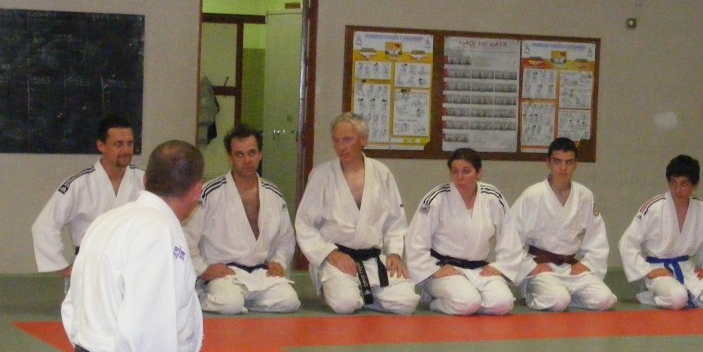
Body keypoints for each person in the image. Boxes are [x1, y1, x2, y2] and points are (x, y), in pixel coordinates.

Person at [38, 140, 275, 352]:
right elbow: (138, 330)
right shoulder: (158, 232)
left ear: (146, 179)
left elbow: (71, 310)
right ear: (197, 191)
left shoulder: (106, 222)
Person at [295, 112, 419, 315]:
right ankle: (341, 291)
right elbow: (304, 223)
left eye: (347, 139)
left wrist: (395, 253)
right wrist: (330, 254)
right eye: (336, 140)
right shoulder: (321, 175)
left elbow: (395, 221)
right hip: (337, 258)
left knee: (407, 302)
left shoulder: (381, 173)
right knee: (345, 304)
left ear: (363, 140)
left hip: (372, 259)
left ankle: (363, 293)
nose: (340, 147)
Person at [183, 123, 300, 314]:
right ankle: (202, 294)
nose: (247, 160)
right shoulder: (210, 192)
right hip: (225, 273)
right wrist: (204, 270)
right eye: (239, 154)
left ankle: (245, 299)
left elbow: (285, 238)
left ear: (260, 155)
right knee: (231, 304)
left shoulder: (273, 193)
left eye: (252, 153)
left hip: (260, 273)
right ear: (230, 158)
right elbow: (187, 236)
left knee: (290, 301)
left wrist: (279, 261)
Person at [405, 148, 525, 316]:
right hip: (443, 267)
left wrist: (501, 266)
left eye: (466, 171)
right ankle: (436, 302)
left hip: (478, 268)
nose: (459, 178)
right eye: (454, 172)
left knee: (503, 304)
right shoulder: (437, 198)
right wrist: (433, 270)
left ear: (479, 173)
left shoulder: (492, 196)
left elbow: (509, 234)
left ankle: (470, 302)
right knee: (467, 303)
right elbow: (415, 239)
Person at [509, 137, 616, 312]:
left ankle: (565, 294)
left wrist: (587, 264)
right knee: (558, 301)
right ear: (548, 162)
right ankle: (534, 293)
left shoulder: (584, 196)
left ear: (576, 164)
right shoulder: (533, 195)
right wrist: (530, 266)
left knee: (605, 300)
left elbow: (597, 237)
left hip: (570, 267)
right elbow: (510, 237)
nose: (563, 168)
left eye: (569, 162)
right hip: (541, 267)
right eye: (557, 162)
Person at [31, 115, 145, 276]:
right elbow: (44, 225)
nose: (126, 150)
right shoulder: (79, 185)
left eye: (130, 144)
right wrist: (62, 267)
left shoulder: (145, 181)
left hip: (133, 268)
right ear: (101, 146)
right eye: (118, 144)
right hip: (90, 268)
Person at [619, 154, 703, 310]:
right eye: (674, 183)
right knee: (677, 298)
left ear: (695, 185)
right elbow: (627, 242)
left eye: (684, 184)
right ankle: (652, 294)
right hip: (659, 269)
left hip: (687, 268)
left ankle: (685, 295)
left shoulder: (701, 209)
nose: (678, 190)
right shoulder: (654, 207)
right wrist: (646, 271)